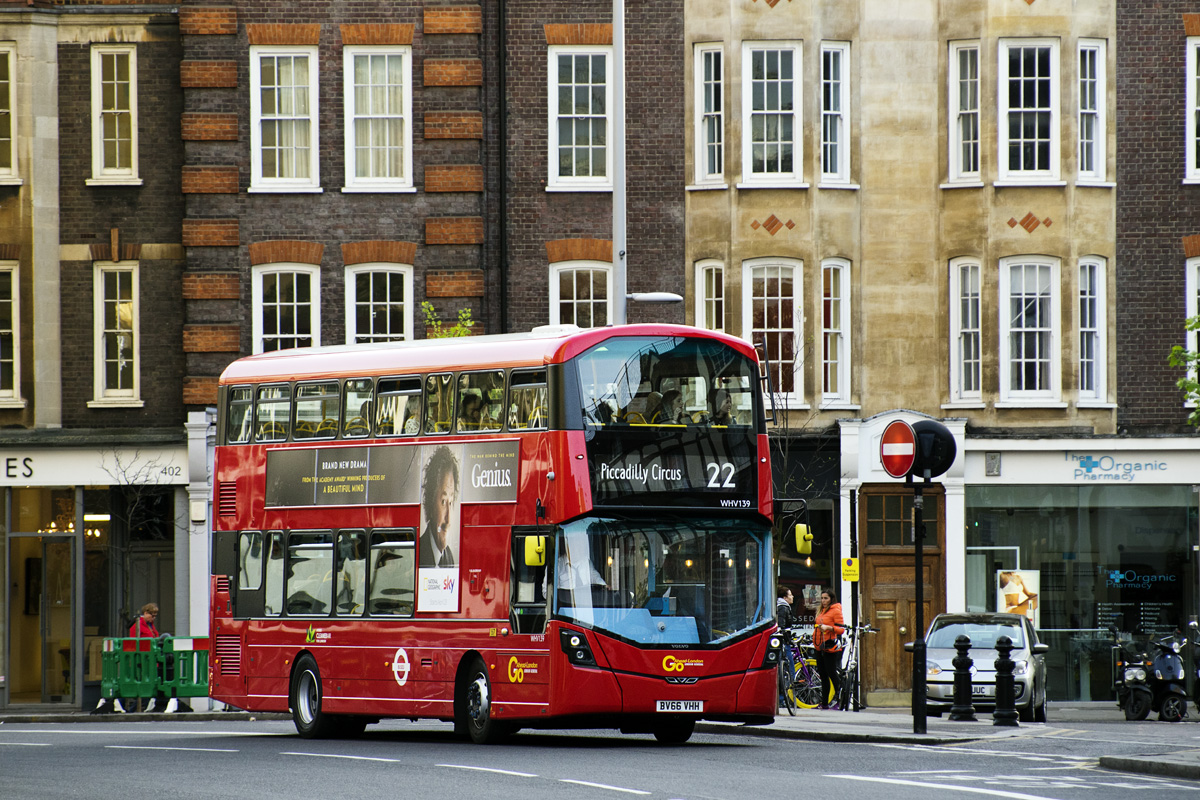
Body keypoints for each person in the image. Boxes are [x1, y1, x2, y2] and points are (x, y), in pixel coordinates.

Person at [419, 446, 460, 568]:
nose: (448, 520)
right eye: (443, 502)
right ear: (431, 503)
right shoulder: (419, 552)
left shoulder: (449, 557)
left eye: (451, 502)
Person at [812, 587, 845, 708]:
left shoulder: (835, 610)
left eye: (826, 598)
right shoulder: (822, 610)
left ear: (831, 599)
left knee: (832, 674)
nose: (823, 600)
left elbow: (841, 629)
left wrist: (829, 628)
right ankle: (824, 703)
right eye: (822, 598)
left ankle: (841, 699)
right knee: (823, 675)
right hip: (819, 646)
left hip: (829, 646)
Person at [776, 586, 797, 707]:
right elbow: (782, 626)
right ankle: (782, 698)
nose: (792, 596)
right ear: (785, 597)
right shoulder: (783, 607)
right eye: (790, 595)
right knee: (789, 669)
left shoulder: (782, 606)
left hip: (785, 641)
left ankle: (782, 698)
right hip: (784, 642)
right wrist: (786, 635)